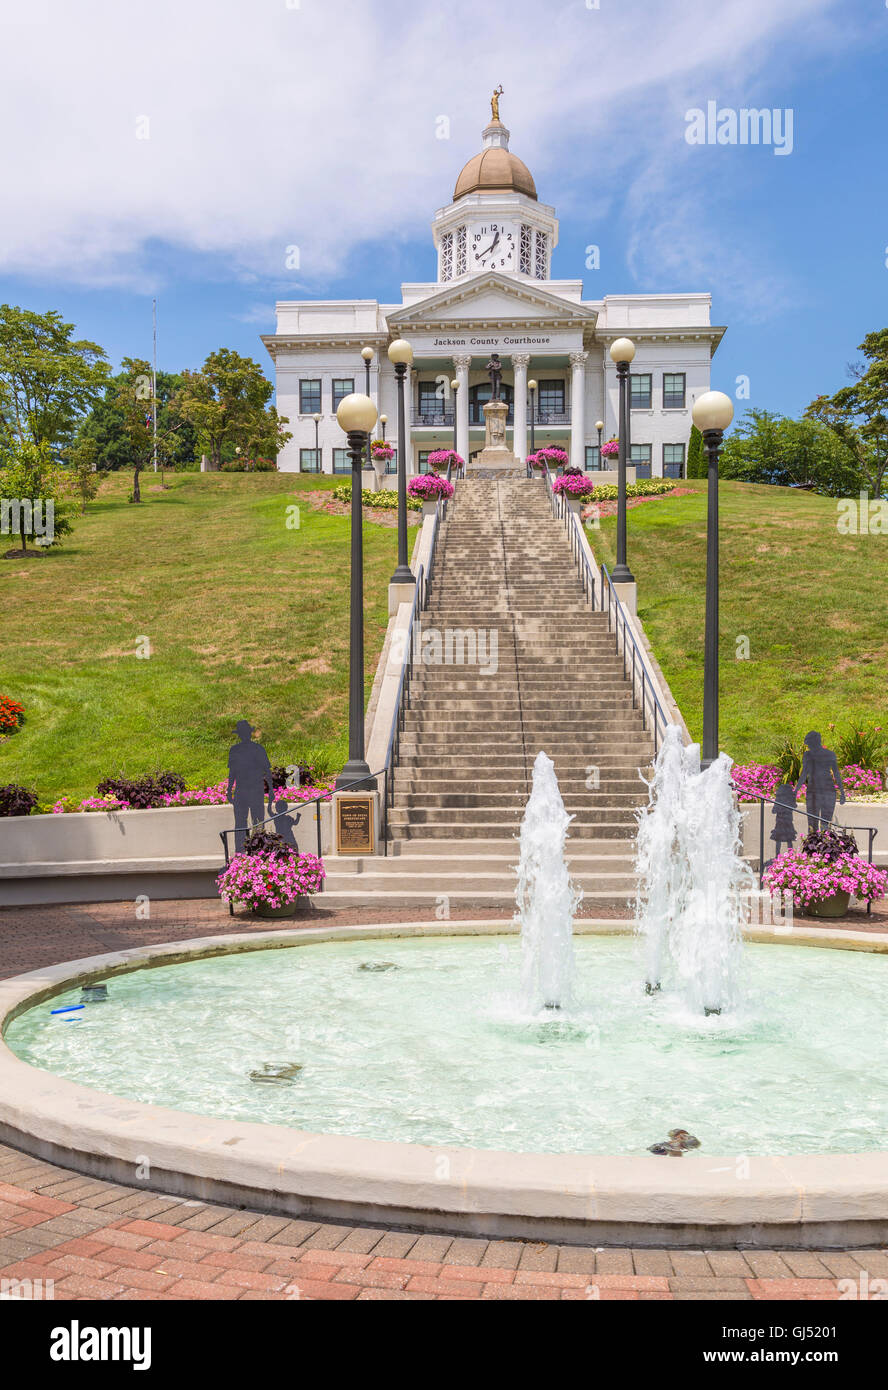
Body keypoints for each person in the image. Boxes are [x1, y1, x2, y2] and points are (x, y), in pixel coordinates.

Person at [227, 719, 274, 853]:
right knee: (242, 823)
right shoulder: (236, 750)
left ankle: (257, 851)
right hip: (243, 790)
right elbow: (232, 772)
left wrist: (271, 790)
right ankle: (241, 852)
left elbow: (267, 771)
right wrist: (229, 789)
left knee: (257, 822)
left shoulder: (257, 749)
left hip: (254, 789)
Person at [794, 730, 846, 834]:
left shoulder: (811, 755)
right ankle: (815, 847)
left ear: (814, 742)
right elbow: (836, 775)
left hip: (823, 791)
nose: (808, 747)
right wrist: (795, 791)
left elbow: (804, 774)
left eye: (809, 744)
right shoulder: (828, 754)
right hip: (819, 791)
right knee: (814, 824)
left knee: (822, 824)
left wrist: (842, 793)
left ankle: (822, 847)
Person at [771, 782, 798, 857]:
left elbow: (773, 811)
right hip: (787, 822)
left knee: (778, 840)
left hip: (780, 822)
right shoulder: (790, 800)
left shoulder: (779, 800)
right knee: (789, 840)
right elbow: (795, 806)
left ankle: (777, 856)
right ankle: (790, 855)